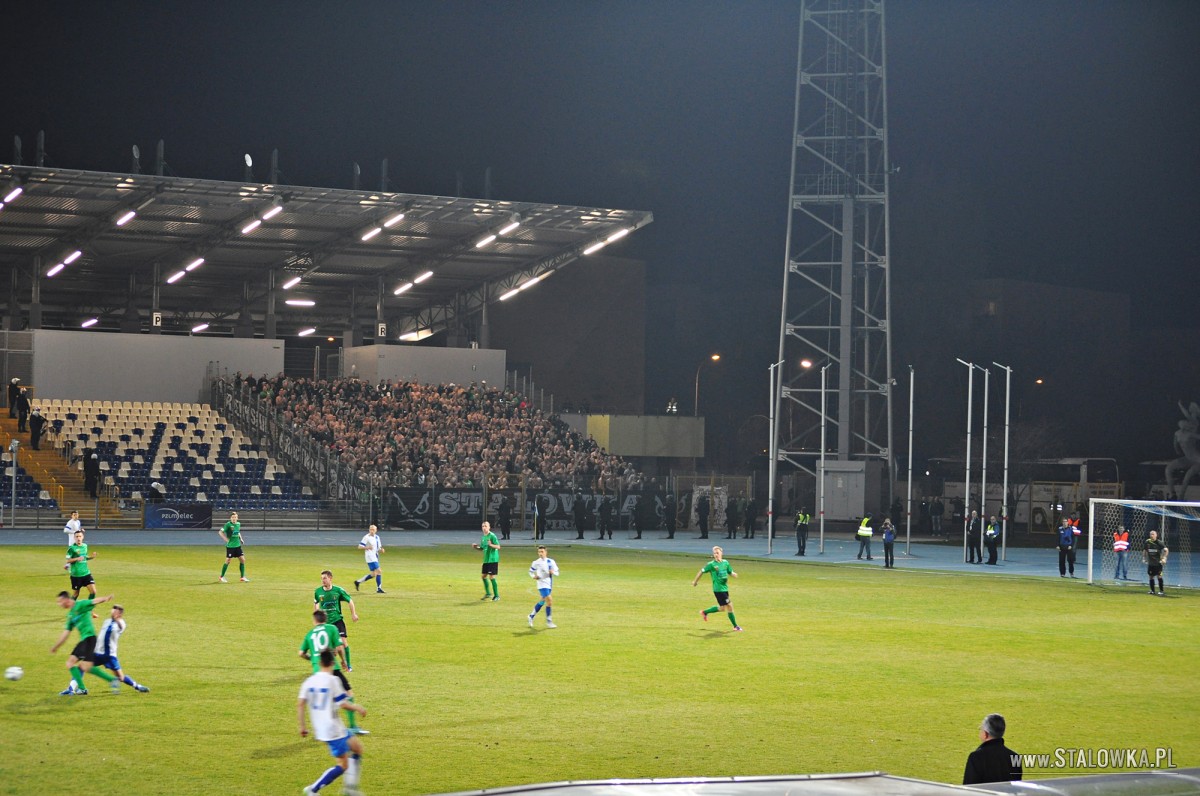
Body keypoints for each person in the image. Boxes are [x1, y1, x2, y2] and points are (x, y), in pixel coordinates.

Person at [298, 649, 367, 796]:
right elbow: (343, 704)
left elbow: (300, 703)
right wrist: (357, 707)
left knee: (357, 748)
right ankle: (313, 789)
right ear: (332, 662)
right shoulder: (332, 681)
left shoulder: (309, 681)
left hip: (327, 728)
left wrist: (303, 726)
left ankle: (349, 789)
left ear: (319, 662)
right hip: (333, 730)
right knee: (342, 765)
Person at [300, 610, 366, 735]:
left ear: (314, 621)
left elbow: (301, 653)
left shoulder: (309, 634)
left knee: (325, 698)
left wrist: (312, 659)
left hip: (317, 670)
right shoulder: (331, 628)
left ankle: (323, 728)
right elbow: (340, 647)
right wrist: (343, 661)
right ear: (326, 619)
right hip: (332, 668)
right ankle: (352, 726)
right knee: (348, 693)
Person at [50, 590, 119, 696]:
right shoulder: (71, 615)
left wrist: (105, 598)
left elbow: (94, 601)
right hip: (85, 640)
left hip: (90, 638)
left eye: (60, 602)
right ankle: (110, 680)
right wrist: (56, 646)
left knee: (82, 666)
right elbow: (66, 633)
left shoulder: (80, 604)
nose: (59, 604)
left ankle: (88, 687)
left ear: (66, 600)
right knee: (76, 664)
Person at [91, 603, 151, 693]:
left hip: (110, 655)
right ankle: (74, 689)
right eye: (113, 610)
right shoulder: (106, 621)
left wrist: (116, 620)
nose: (113, 612)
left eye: (116, 611)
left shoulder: (121, 623)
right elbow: (101, 636)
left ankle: (137, 686)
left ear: (120, 614)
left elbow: (120, 627)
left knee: (120, 677)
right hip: (98, 653)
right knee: (83, 666)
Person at [314, 570, 359, 670]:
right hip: (325, 623)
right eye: (321, 579)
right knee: (330, 650)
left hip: (337, 620)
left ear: (330, 578)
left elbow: (350, 600)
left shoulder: (338, 590)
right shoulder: (318, 592)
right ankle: (329, 666)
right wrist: (317, 620)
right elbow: (316, 604)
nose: (323, 581)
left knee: (343, 642)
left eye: (325, 578)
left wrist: (353, 614)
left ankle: (348, 665)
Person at [962, 713, 1022, 785]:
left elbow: (969, 789)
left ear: (986, 734)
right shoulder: (1015, 757)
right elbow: (1016, 788)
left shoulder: (976, 757)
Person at [693, 546, 741, 631]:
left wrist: (733, 574)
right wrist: (695, 582)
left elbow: (730, 571)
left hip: (725, 589)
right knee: (730, 606)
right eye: (714, 553)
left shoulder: (725, 563)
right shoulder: (711, 564)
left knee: (722, 608)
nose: (716, 555)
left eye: (717, 553)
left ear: (721, 553)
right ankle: (735, 626)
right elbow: (701, 571)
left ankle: (704, 612)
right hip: (718, 590)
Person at [527, 545, 560, 629]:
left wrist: (553, 572)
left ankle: (531, 616)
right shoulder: (536, 562)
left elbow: (557, 572)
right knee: (549, 600)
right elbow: (530, 571)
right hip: (541, 584)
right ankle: (549, 621)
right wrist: (533, 576)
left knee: (543, 601)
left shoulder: (551, 561)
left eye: (542, 552)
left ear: (546, 552)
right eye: (539, 552)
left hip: (549, 583)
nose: (540, 553)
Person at [352, 524, 385, 594]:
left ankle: (358, 582)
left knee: (373, 574)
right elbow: (359, 546)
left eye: (373, 529)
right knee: (379, 571)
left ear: (376, 530)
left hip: (375, 556)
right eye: (370, 529)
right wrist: (367, 547)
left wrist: (381, 550)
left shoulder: (377, 537)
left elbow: (378, 548)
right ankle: (379, 588)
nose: (372, 531)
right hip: (370, 557)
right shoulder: (366, 537)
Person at [65, 529, 98, 599]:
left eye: (80, 536)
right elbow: (68, 561)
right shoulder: (71, 548)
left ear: (83, 537)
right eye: (76, 537)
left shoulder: (85, 546)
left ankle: (88, 608)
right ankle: (71, 608)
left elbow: (84, 557)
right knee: (76, 594)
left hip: (86, 573)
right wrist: (77, 559)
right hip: (76, 575)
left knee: (93, 592)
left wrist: (91, 557)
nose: (78, 538)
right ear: (74, 538)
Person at [473, 520, 501, 601]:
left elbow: (498, 547)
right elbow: (482, 548)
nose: (484, 528)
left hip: (492, 559)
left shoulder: (492, 536)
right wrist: (476, 547)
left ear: (489, 527)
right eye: (483, 526)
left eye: (486, 526)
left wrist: (491, 545)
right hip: (486, 560)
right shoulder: (483, 538)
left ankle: (497, 596)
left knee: (492, 577)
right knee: (483, 576)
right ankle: (488, 593)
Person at [218, 511, 248, 582]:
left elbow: (238, 532)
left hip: (237, 545)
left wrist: (241, 538)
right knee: (228, 561)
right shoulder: (228, 524)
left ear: (237, 518)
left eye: (235, 517)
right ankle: (221, 576)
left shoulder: (238, 524)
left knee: (243, 560)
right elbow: (220, 532)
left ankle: (242, 577)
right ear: (230, 518)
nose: (234, 519)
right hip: (230, 546)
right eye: (232, 517)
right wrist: (226, 539)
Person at [1143, 529, 1169, 595]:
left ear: (1156, 535)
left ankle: (1161, 591)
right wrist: (1144, 558)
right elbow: (1145, 550)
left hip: (1158, 563)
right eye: (1150, 534)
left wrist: (1164, 558)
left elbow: (1166, 550)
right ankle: (1152, 591)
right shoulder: (1147, 542)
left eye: (1153, 534)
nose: (1151, 535)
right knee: (1151, 576)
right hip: (1151, 563)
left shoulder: (1159, 542)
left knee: (1159, 576)